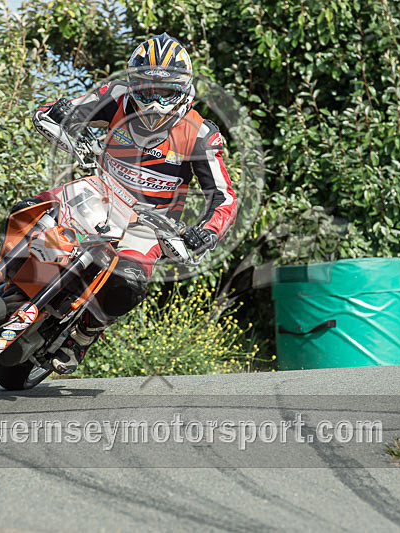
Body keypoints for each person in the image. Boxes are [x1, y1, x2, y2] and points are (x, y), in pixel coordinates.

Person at [20, 33, 237, 374]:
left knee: (129, 279)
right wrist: (59, 113)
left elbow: (224, 196)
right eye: (147, 89)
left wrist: (206, 232)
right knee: (29, 209)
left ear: (184, 89)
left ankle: (84, 334)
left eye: (165, 91)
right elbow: (63, 110)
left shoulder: (200, 134)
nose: (154, 101)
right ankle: (5, 281)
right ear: (133, 82)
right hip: (99, 192)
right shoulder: (117, 95)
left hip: (149, 224)